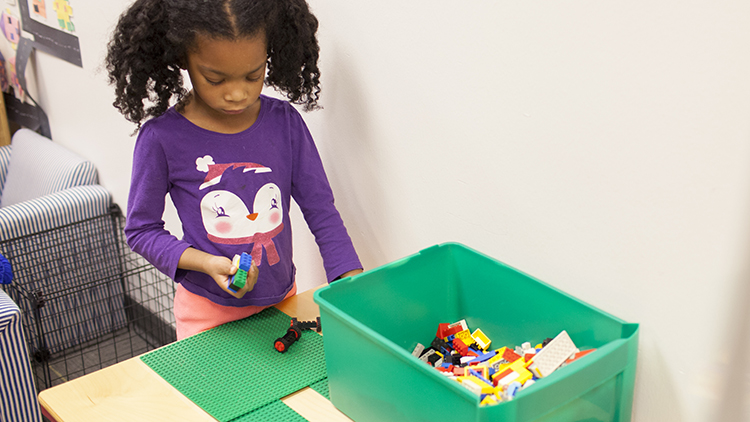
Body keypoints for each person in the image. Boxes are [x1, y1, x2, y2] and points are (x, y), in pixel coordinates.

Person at [106, 0, 363, 340]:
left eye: (253, 75)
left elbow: (321, 211)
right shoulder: (162, 139)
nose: (238, 93)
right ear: (183, 58)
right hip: (207, 317)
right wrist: (206, 263)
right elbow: (141, 231)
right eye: (215, 78)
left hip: (282, 302)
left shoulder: (284, 124)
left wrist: (352, 283)